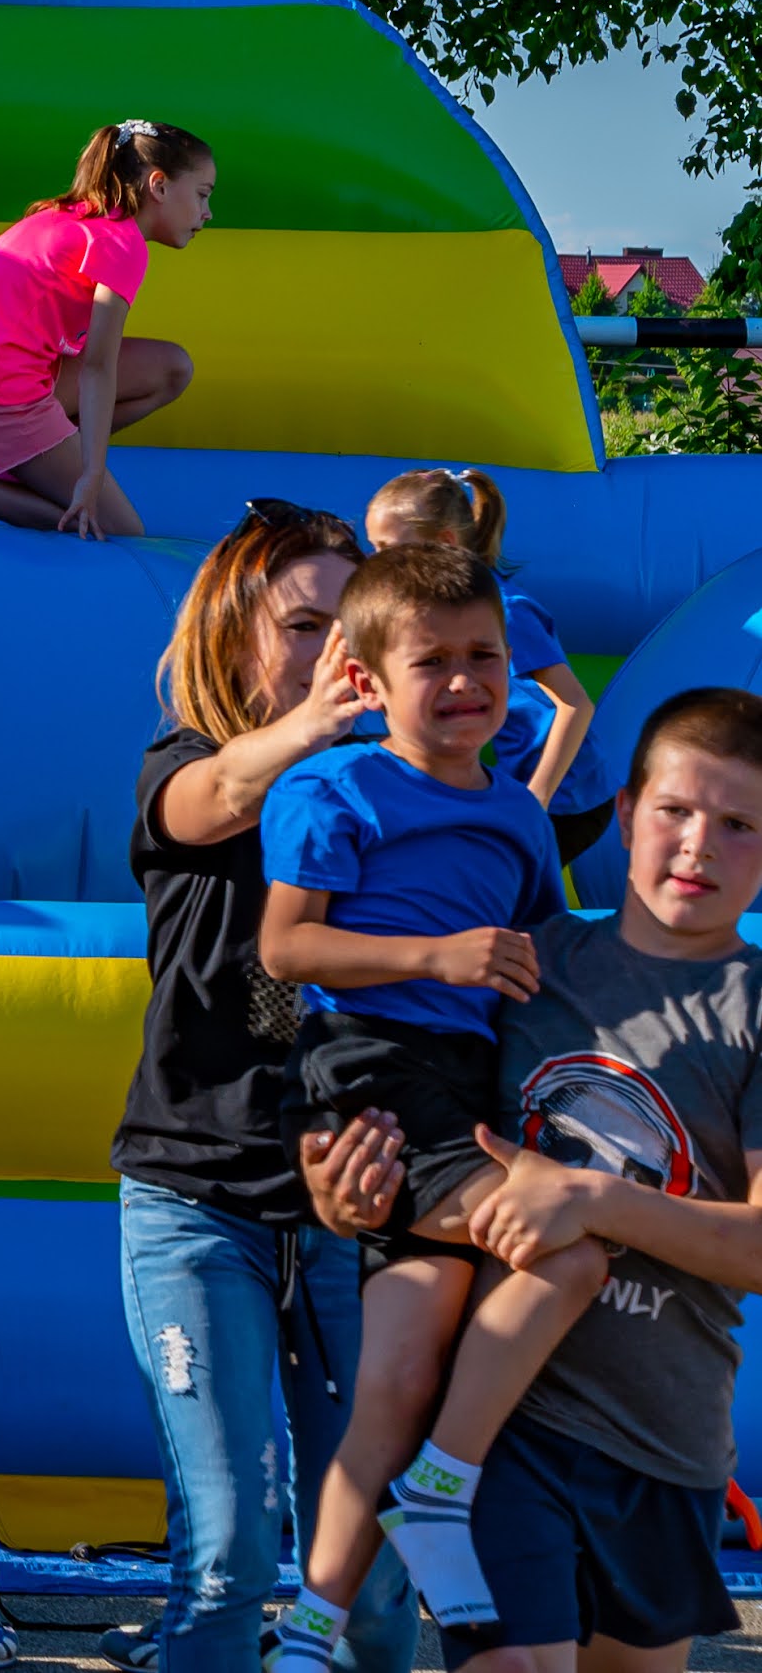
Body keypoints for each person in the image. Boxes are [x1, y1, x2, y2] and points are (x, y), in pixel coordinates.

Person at [298, 688, 762, 1673]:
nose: (697, 845)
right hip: (505, 1430)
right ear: (627, 811)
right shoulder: (519, 963)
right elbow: (408, 1124)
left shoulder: (754, 1009)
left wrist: (595, 1199)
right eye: (675, 810)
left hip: (666, 1439)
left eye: (736, 824)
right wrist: (349, 1196)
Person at [113, 497, 421, 1673]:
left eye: (354, 625)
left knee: (378, 1572)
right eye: (302, 624)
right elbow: (219, 799)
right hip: (196, 1205)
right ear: (234, 630)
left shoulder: (397, 796)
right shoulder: (184, 766)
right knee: (228, 1554)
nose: (333, 653)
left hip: (353, 1206)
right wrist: (311, 724)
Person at [257, 543, 571, 1669]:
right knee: (565, 1240)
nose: (461, 680)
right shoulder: (335, 787)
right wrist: (435, 953)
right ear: (368, 678)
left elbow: (547, 960)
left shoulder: (519, 816)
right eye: (429, 660)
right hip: (371, 1072)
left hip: (467, 1093)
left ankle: (309, 1628)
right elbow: (285, 943)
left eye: (483, 655)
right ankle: (439, 1490)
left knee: (391, 1379)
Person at [0, 117, 215, 538]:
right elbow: (97, 366)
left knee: (171, 368)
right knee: (120, 530)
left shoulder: (81, 215)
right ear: (159, 186)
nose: (208, 213)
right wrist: (92, 474)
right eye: (202, 195)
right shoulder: (123, 245)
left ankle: (40, 467)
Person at [367, 468, 606, 854]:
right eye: (373, 548)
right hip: (524, 787)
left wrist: (536, 799)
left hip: (566, 798)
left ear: (445, 543)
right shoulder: (450, 605)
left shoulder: (506, 612)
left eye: (388, 549)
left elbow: (576, 704)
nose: (376, 563)